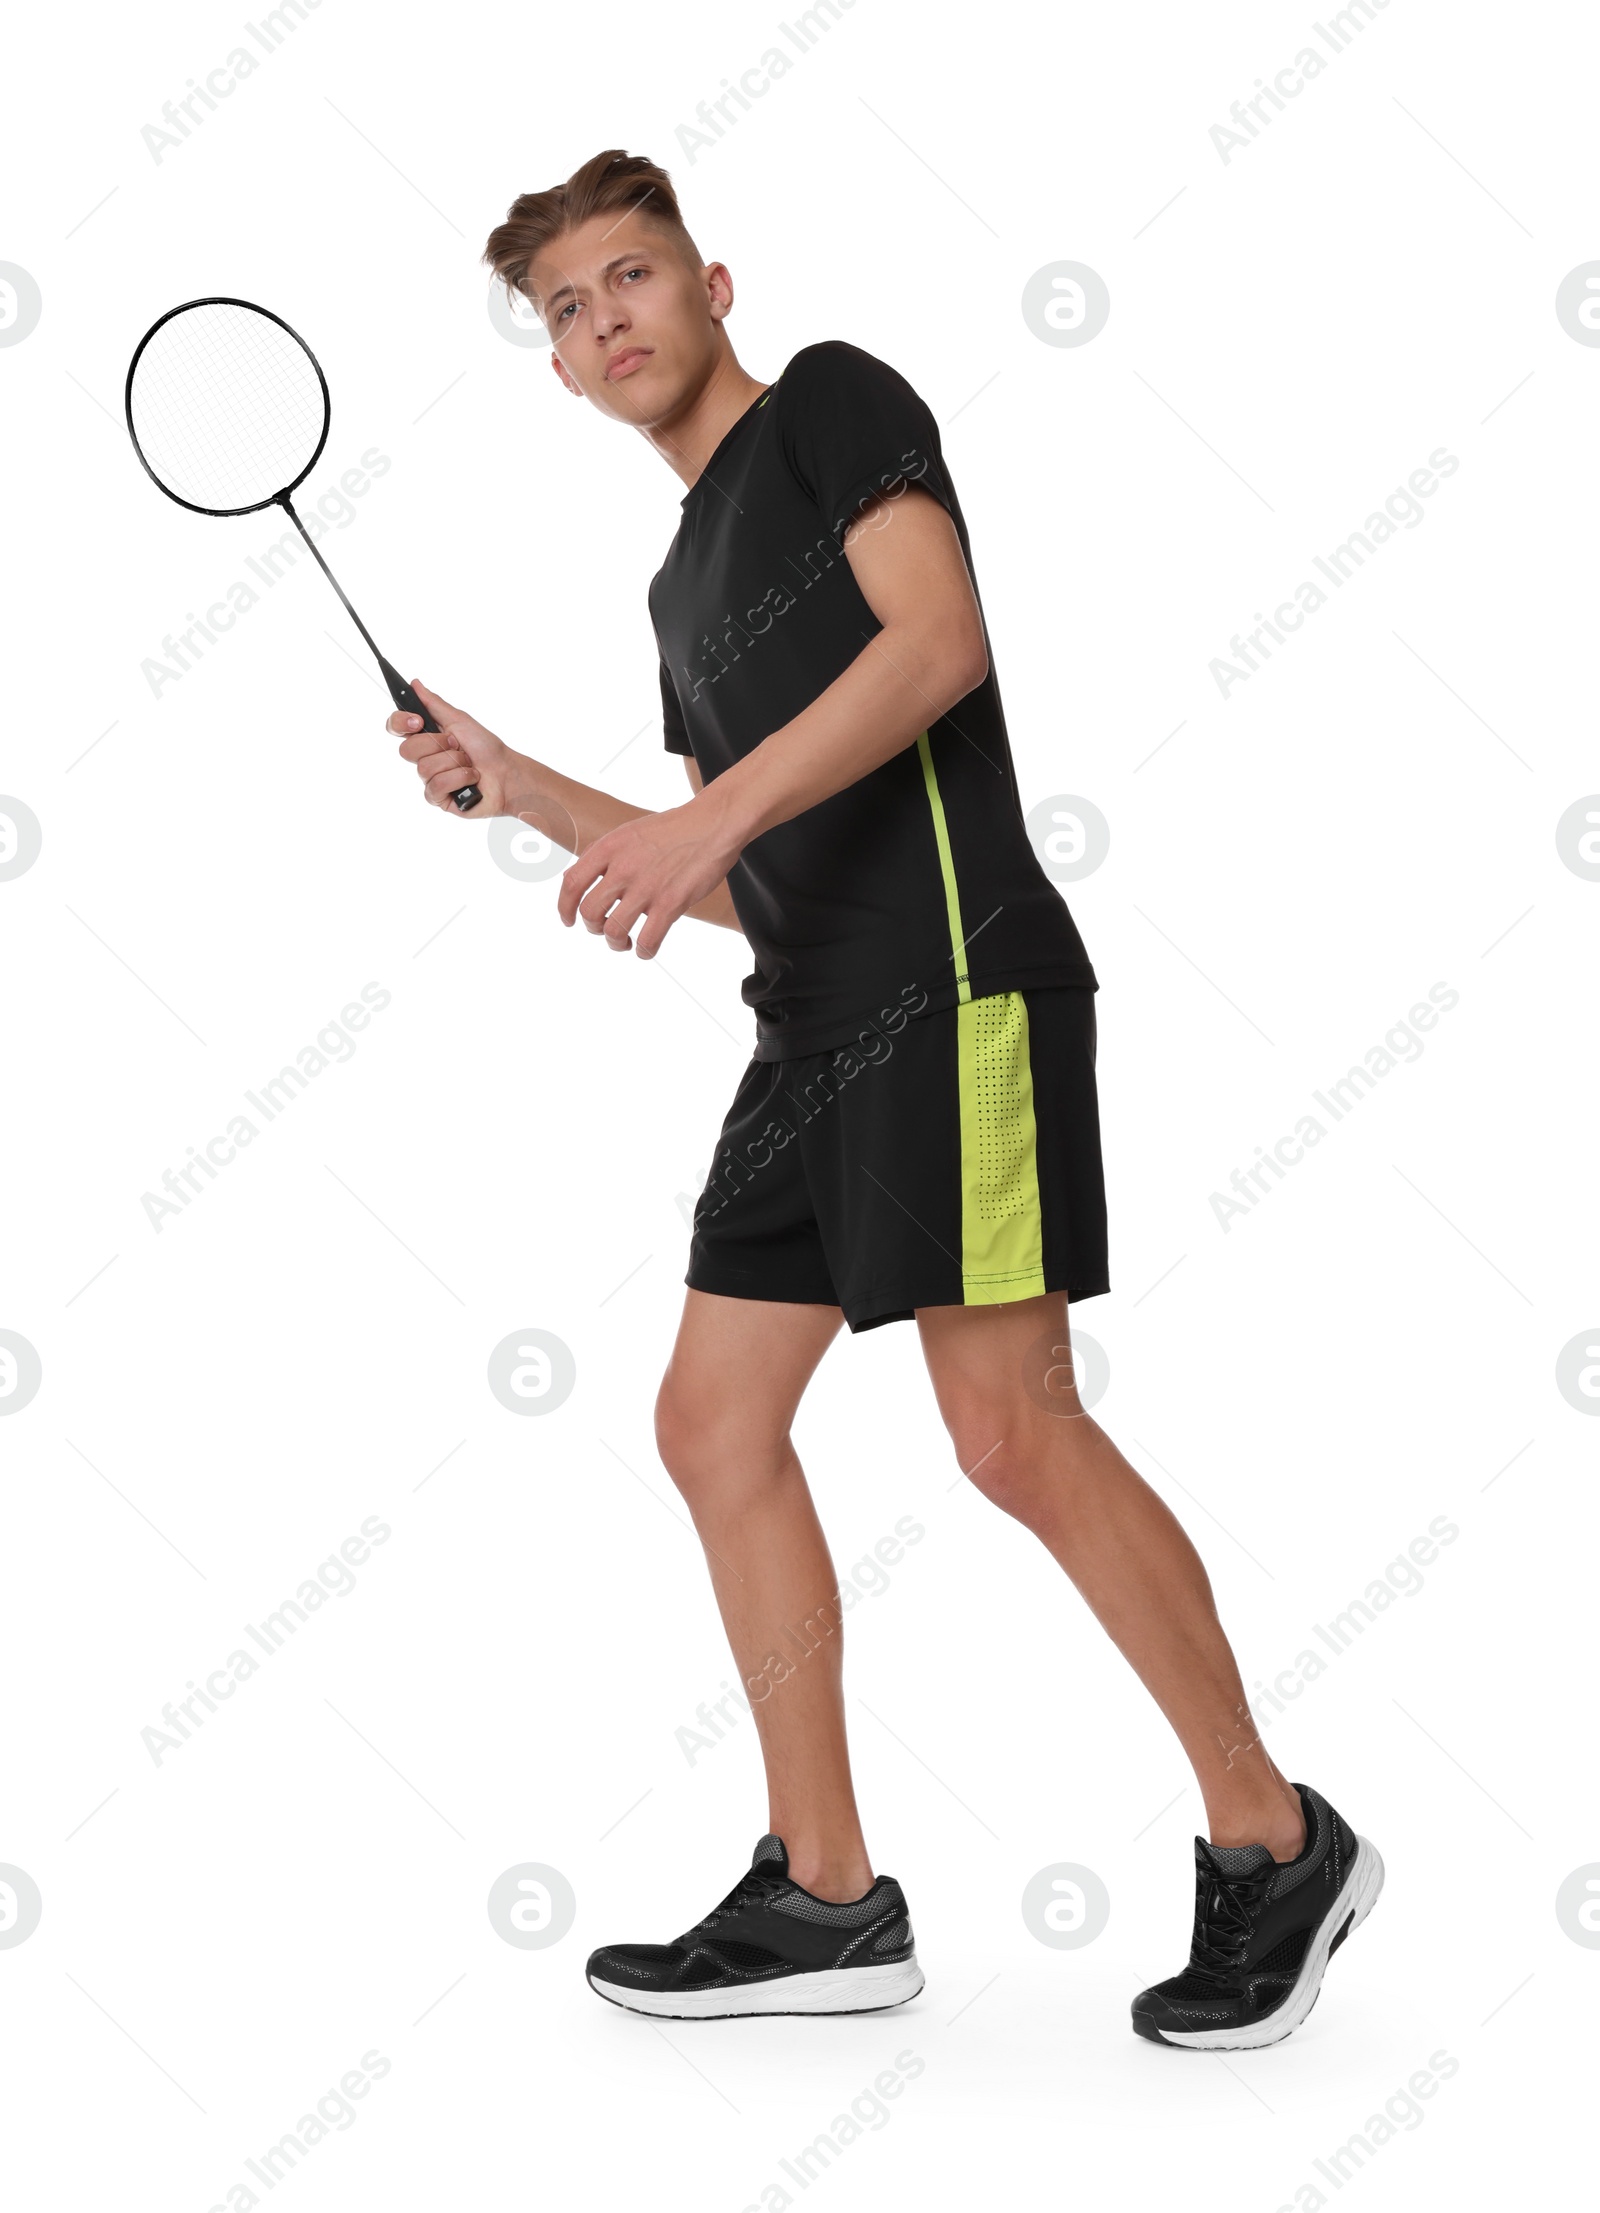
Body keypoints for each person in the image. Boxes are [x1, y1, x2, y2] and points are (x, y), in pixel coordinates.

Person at [388, 149, 1382, 2048]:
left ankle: (1276, 1843)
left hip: (955, 982)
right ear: (555, 368)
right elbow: (728, 861)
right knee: (709, 1419)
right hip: (808, 1027)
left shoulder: (834, 401)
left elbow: (934, 653)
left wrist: (697, 816)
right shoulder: (678, 576)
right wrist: (524, 786)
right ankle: (827, 1895)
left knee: (1006, 1435)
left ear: (714, 283)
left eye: (632, 278)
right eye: (569, 309)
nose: (607, 321)